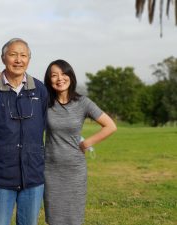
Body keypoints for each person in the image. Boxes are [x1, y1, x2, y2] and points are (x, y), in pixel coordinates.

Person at [0, 38, 48, 225]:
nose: (18, 60)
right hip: (0, 174)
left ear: (29, 59)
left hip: (33, 175)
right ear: (3, 58)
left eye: (23, 55)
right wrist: (2, 151)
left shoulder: (40, 90)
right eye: (13, 54)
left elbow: (43, 123)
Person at [43, 59, 117, 225]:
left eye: (64, 73)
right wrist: (5, 75)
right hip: (50, 170)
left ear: (71, 76)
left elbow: (110, 126)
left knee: (74, 219)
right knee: (54, 219)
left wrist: (86, 143)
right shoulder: (44, 103)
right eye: (54, 75)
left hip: (75, 170)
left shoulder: (83, 103)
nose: (59, 78)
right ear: (49, 80)